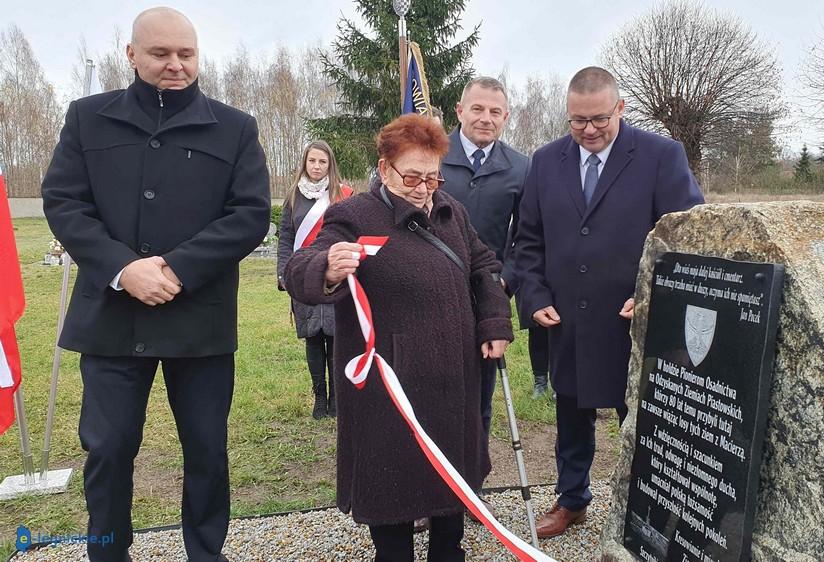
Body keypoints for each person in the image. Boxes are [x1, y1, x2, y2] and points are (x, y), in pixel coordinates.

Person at [41, 8, 270, 562]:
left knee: (207, 452)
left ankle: (206, 554)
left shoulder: (235, 127)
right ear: (131, 54)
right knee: (109, 450)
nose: (175, 65)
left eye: (186, 54)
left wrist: (176, 269)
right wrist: (124, 269)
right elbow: (65, 202)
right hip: (112, 318)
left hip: (199, 319)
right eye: (161, 53)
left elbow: (249, 214)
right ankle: (107, 552)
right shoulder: (88, 119)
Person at [283, 114, 513, 561]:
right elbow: (300, 267)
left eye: (432, 177)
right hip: (388, 383)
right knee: (391, 482)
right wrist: (327, 266)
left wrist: (494, 321)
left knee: (451, 478)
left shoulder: (451, 211)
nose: (424, 189)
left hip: (453, 375)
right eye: (412, 177)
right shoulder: (353, 214)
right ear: (385, 169)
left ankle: (449, 553)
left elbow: (484, 266)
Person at [514, 66, 704, 538]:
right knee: (570, 417)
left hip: (633, 321)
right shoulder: (546, 161)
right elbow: (528, 242)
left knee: (642, 421)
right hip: (567, 320)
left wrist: (654, 294)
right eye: (578, 120)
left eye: (600, 118)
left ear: (620, 108)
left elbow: (688, 237)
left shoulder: (661, 155)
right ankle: (572, 500)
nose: (589, 130)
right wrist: (534, 296)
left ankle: (652, 509)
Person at [441, 76, 529, 440]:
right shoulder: (432, 155)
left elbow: (527, 237)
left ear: (506, 117)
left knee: (479, 399)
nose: (485, 118)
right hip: (431, 291)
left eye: (495, 112)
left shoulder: (521, 168)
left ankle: (474, 470)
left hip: (486, 297)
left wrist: (505, 280)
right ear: (460, 111)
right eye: (477, 109)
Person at [277, 141, 352, 419]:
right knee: (313, 338)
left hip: (334, 276)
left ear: (330, 165)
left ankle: (336, 400)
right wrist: (284, 273)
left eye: (322, 162)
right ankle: (319, 398)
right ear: (305, 163)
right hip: (304, 276)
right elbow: (286, 238)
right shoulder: (293, 197)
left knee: (335, 337)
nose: (317, 166)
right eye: (312, 161)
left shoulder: (343, 195)